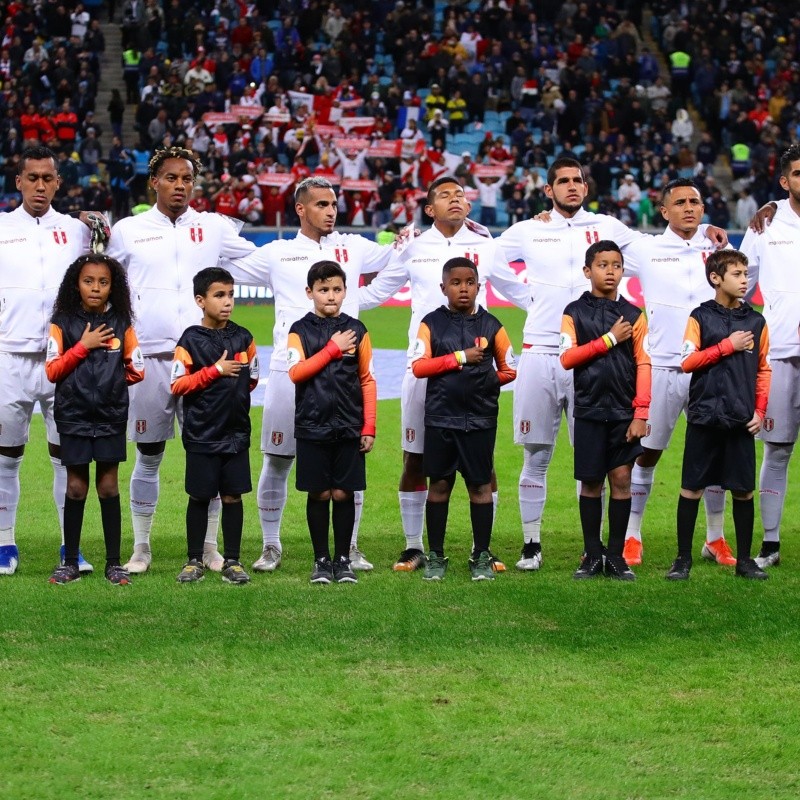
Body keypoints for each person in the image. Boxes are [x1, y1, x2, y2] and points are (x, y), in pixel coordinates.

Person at [498, 158, 725, 572]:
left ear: (586, 187)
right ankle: (532, 543)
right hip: (541, 350)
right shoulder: (529, 228)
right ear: (548, 189)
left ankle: (600, 549)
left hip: (599, 361)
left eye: (577, 180)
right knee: (537, 453)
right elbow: (491, 260)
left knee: (602, 461)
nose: (571, 186)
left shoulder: (608, 227)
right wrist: (527, 298)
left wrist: (706, 234)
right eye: (562, 181)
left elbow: (657, 245)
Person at [223, 177, 396, 574]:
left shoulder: (352, 247)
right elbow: (227, 265)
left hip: (344, 372)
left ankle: (349, 548)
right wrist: (219, 229)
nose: (331, 210)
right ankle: (270, 545)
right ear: (301, 209)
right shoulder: (278, 253)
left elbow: (394, 259)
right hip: (292, 370)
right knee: (278, 458)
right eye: (321, 204)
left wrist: (371, 291)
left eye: (333, 203)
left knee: (348, 462)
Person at [358, 176, 529, 572]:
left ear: (469, 206)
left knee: (482, 464)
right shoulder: (412, 246)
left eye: (461, 195)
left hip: (475, 370)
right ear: (429, 208)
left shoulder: (486, 246)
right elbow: (376, 292)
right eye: (445, 195)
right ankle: (414, 546)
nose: (456, 199)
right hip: (424, 369)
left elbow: (517, 290)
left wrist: (554, 309)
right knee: (414, 458)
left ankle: (480, 548)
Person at [107, 146, 258, 575]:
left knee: (209, 453)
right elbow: (106, 281)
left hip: (205, 360)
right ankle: (141, 547)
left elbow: (253, 259)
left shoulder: (213, 227)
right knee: (149, 452)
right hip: (151, 356)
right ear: (154, 181)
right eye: (171, 178)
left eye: (187, 179)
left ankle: (210, 549)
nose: (180, 185)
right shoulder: (128, 229)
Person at [0, 146, 106, 576]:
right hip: (9, 354)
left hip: (65, 358)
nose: (40, 185)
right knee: (7, 455)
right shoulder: (2, 227)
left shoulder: (77, 232)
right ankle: (5, 542)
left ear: (58, 183)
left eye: (48, 178)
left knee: (68, 456)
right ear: (18, 181)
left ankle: (70, 546)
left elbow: (103, 268)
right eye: (32, 178)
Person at [622, 179, 734, 567]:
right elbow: (601, 241)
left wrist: (709, 233)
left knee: (716, 454)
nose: (689, 208)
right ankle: (631, 535)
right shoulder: (647, 250)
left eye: (695, 202)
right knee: (648, 452)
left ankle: (715, 538)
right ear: (664, 210)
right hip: (665, 367)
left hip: (713, 368)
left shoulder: (720, 248)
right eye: (680, 202)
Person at [666, 250, 771, 581]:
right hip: (705, 416)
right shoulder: (700, 317)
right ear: (716, 278)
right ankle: (683, 559)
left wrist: (760, 410)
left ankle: (744, 561)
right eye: (737, 274)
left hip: (740, 419)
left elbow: (763, 369)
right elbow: (687, 362)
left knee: (743, 490)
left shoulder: (756, 321)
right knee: (691, 488)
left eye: (746, 274)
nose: (745, 280)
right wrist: (726, 346)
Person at [410, 256, 517, 581]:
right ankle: (436, 555)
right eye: (456, 283)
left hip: (480, 421)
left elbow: (509, 369)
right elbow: (419, 367)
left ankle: (481, 555)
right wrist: (459, 359)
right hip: (442, 419)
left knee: (480, 487)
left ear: (478, 286)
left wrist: (483, 384)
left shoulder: (492, 325)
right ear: (444, 287)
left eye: (469, 282)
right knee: (439, 485)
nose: (463, 289)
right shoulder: (430, 323)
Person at [44, 255, 144, 585]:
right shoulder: (62, 322)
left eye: (103, 282)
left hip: (111, 416)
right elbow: (53, 370)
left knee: (108, 485)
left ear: (112, 286)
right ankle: (69, 562)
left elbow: (137, 369)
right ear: (77, 284)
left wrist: (111, 385)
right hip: (72, 416)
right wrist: (83, 347)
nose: (96, 288)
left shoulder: (122, 323)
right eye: (89, 281)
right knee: (75, 487)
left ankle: (113, 564)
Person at [559, 241, 650, 581]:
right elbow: (567, 358)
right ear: (588, 271)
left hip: (624, 412)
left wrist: (641, 412)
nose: (610, 271)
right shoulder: (573, 312)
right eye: (602, 265)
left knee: (622, 478)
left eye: (616, 265)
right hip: (588, 409)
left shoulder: (634, 315)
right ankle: (592, 553)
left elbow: (644, 363)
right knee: (592, 482)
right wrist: (610, 339)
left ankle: (616, 555)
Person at [287, 261, 376, 584]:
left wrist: (368, 426)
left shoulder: (358, 330)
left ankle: (343, 559)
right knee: (320, 494)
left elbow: (367, 379)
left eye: (337, 289)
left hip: (349, 427)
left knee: (343, 494)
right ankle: (321, 560)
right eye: (323, 290)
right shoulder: (299, 330)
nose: (331, 296)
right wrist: (331, 350)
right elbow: (296, 373)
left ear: (345, 292)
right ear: (310, 292)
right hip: (312, 425)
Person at [169, 267, 258, 585]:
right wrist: (215, 371)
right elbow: (177, 385)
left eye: (231, 295)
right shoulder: (190, 340)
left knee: (234, 496)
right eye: (219, 295)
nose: (228, 302)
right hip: (202, 434)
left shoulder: (244, 337)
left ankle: (233, 561)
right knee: (200, 496)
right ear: (200, 300)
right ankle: (194, 560)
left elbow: (252, 379)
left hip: (235, 433)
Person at [740, 144, 800, 568]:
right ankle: (771, 543)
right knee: (776, 449)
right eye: (798, 173)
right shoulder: (767, 224)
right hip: (780, 349)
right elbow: (740, 282)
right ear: (785, 181)